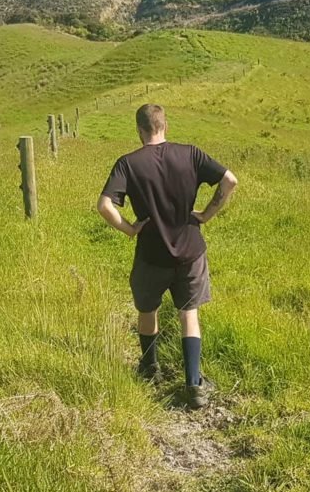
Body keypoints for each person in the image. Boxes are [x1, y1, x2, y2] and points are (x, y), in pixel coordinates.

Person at [97, 104, 238, 409]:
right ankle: (193, 384)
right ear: (165, 125)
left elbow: (105, 206)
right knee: (189, 314)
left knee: (148, 310)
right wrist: (206, 215)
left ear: (139, 130)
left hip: (151, 253)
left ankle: (149, 368)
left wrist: (130, 229)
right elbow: (230, 180)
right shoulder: (190, 154)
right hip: (190, 251)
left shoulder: (128, 164)